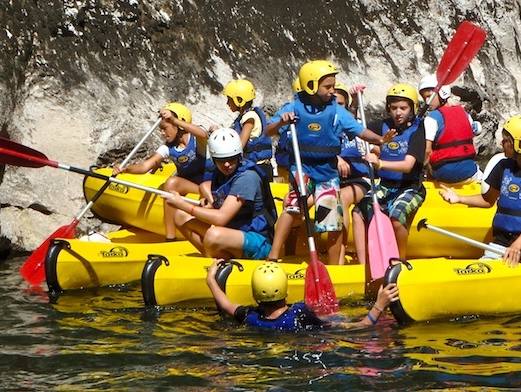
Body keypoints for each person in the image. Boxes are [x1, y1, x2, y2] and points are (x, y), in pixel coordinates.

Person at [264, 60, 392, 264]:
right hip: (302, 167)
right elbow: (268, 131)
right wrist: (282, 122)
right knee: (293, 208)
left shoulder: (336, 112)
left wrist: (379, 139)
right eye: (328, 87)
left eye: (333, 85)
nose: (333, 91)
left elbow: (360, 131)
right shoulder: (293, 108)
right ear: (311, 86)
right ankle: (273, 257)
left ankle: (334, 267)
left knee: (333, 222)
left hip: (327, 171)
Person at [440, 115, 521, 266]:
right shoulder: (503, 166)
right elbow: (487, 200)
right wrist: (460, 198)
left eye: (506, 140)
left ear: (520, 144)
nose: (502, 144)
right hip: (502, 242)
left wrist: (517, 246)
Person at [165, 128, 275, 259]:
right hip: (233, 233)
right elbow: (206, 186)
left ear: (239, 156)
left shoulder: (246, 178)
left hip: (258, 241)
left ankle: (220, 261)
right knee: (179, 216)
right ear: (214, 158)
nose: (227, 164)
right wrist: (212, 203)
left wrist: (182, 203)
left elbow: (221, 218)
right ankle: (213, 258)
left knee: (213, 235)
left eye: (231, 159)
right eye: (221, 160)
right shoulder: (221, 174)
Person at [206, 259, 399, 331]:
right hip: (311, 335)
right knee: (335, 318)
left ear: (255, 296)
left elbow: (226, 305)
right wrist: (379, 305)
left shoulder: (250, 317)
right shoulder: (300, 315)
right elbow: (359, 328)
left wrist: (211, 280)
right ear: (286, 291)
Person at [113, 103, 214, 240]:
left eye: (165, 128)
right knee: (171, 183)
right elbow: (145, 166)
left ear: (179, 124)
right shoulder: (168, 148)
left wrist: (173, 119)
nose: (162, 133)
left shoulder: (196, 139)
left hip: (209, 185)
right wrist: (125, 169)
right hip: (194, 187)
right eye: (161, 129)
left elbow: (203, 134)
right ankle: (170, 237)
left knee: (189, 184)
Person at [353, 83, 427, 262]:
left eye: (403, 108)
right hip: (386, 186)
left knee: (396, 216)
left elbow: (408, 165)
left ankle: (399, 261)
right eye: (393, 108)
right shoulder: (383, 126)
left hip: (410, 188)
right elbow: (355, 127)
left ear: (412, 109)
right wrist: (356, 101)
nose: (398, 112)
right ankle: (363, 262)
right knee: (358, 211)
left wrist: (379, 163)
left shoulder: (418, 130)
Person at [418, 74, 482, 184]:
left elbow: (427, 150)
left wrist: (416, 169)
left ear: (442, 93)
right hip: (469, 170)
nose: (427, 102)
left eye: (429, 96)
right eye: (425, 98)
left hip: (442, 172)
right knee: (485, 177)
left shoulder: (431, 118)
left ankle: (428, 182)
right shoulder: (465, 114)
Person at [333, 82, 371, 264]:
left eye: (340, 104)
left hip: (359, 181)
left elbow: (352, 117)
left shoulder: (354, 125)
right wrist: (337, 159)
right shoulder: (325, 127)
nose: (336, 107)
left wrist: (356, 100)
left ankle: (340, 258)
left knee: (342, 198)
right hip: (335, 180)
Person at [222, 79, 274, 181]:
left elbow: (240, 144)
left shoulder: (249, 118)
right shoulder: (244, 116)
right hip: (258, 166)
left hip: (258, 168)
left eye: (229, 99)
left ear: (239, 100)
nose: (227, 103)